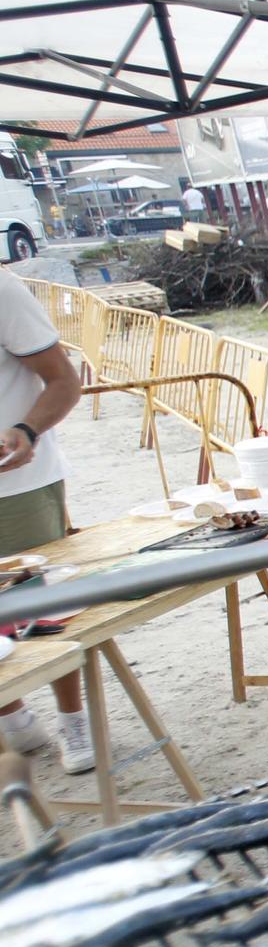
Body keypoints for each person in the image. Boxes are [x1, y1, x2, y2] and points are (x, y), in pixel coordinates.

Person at [0, 267, 91, 773]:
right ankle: (14, 718)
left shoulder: (2, 290)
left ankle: (74, 720)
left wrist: (26, 430)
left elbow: (64, 380)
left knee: (46, 611)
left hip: (17, 486)